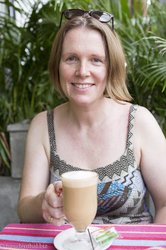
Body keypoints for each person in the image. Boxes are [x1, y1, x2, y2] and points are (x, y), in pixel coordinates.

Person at [17, 9, 166, 225]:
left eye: (96, 60)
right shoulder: (42, 125)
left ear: (111, 67)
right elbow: (24, 209)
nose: (82, 71)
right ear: (57, 65)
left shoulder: (139, 121)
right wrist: (43, 203)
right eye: (71, 59)